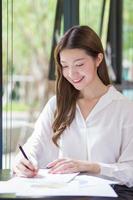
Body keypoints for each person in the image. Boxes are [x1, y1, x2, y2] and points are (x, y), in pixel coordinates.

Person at [13, 25, 133, 187]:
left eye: (79, 64)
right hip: (63, 194)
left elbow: (130, 171)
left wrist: (91, 166)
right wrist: (23, 162)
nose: (71, 73)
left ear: (98, 59)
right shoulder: (56, 105)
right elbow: (33, 147)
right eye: (65, 65)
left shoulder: (125, 109)